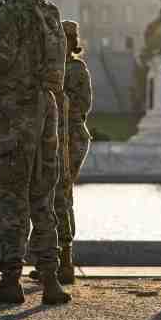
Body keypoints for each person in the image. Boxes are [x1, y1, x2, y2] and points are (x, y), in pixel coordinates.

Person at [0, 0, 71, 305]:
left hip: (16, 108)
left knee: (12, 195)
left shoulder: (8, 13)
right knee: (42, 195)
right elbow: (58, 60)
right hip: (47, 105)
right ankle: (51, 279)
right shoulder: (47, 10)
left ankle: (11, 279)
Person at [31, 20, 93, 284]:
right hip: (51, 136)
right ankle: (52, 259)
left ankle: (64, 261)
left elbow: (82, 105)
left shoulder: (75, 69)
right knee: (48, 195)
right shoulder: (48, 68)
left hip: (69, 138)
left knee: (60, 196)